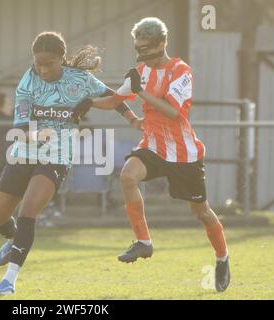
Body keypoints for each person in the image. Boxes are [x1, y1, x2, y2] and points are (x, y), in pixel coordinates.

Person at [74, 17, 230, 292]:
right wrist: (88, 103)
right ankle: (144, 242)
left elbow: (172, 111)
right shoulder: (140, 71)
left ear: (162, 43)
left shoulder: (181, 71)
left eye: (146, 48)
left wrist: (141, 92)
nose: (142, 54)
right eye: (138, 48)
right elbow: (115, 100)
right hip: (153, 146)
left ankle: (222, 257)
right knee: (128, 176)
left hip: (184, 154)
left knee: (202, 213)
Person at [0, 31, 140, 295]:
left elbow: (114, 98)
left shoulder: (79, 80)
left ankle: (9, 281)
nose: (43, 69)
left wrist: (133, 119)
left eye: (49, 63)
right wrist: (37, 135)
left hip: (56, 157)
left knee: (27, 213)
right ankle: (15, 241)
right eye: (39, 63)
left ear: (62, 59)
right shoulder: (28, 81)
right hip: (25, 151)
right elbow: (21, 129)